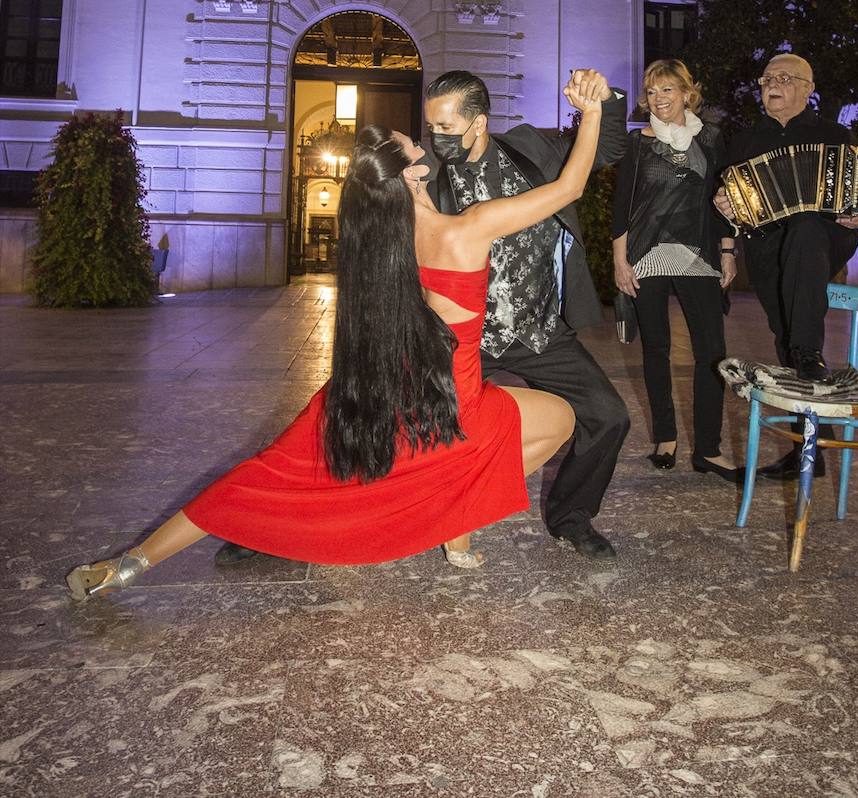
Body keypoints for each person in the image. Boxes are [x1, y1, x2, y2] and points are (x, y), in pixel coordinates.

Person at [65, 74, 604, 602]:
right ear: (414, 169)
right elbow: (570, 187)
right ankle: (453, 513)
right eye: (416, 142)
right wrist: (595, 111)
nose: (425, 140)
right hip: (452, 401)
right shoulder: (467, 228)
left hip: (378, 386)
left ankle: (127, 565)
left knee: (264, 474)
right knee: (561, 419)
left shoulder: (380, 240)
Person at [421, 68, 630, 560]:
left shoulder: (529, 147)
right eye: (432, 128)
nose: (436, 138)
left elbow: (604, 149)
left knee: (608, 416)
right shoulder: (426, 178)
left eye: (446, 128)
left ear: (480, 123)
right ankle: (292, 525)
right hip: (466, 341)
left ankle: (571, 519)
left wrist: (605, 99)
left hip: (539, 329)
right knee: (396, 428)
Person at [718, 52, 858, 481]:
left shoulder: (834, 133)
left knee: (808, 225)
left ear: (808, 89)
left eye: (785, 78)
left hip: (826, 239)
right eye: (767, 78)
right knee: (787, 336)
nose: (772, 84)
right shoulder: (745, 140)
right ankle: (810, 453)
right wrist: (724, 204)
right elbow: (729, 196)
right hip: (769, 248)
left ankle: (808, 352)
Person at [611, 60, 741, 482]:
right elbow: (621, 206)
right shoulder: (638, 143)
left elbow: (724, 200)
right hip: (647, 254)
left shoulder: (713, 139)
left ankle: (708, 448)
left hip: (698, 253)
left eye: (667, 90)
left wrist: (727, 250)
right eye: (651, 92)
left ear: (688, 93)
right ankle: (665, 436)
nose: (659, 99)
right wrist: (619, 260)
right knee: (656, 350)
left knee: (711, 353)